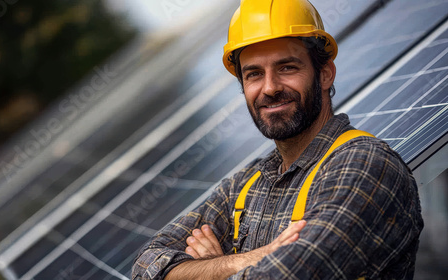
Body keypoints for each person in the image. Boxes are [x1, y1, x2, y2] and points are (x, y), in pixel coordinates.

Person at [132, 0, 423, 279]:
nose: (269, 88)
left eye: (287, 67)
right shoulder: (243, 186)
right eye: (254, 74)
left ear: (324, 74)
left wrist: (209, 267)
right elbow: (146, 265)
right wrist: (251, 259)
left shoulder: (365, 165)